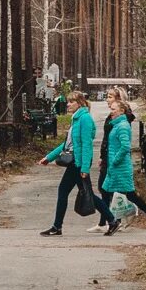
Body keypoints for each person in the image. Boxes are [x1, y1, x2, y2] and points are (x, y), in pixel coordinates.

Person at [40, 91, 116, 236]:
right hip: (75, 162)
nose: (68, 104)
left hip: (78, 163)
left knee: (70, 191)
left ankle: (57, 227)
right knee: (86, 193)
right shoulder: (76, 119)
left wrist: (85, 167)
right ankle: (112, 221)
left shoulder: (85, 119)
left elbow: (86, 144)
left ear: (80, 103)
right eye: (68, 101)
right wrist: (49, 157)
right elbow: (67, 144)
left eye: (71, 102)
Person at [100, 93, 146, 232]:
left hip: (120, 167)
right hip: (116, 166)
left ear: (121, 111)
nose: (111, 112)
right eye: (111, 109)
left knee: (126, 194)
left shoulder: (122, 126)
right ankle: (116, 221)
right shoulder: (116, 124)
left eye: (113, 109)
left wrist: (114, 161)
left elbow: (124, 147)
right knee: (113, 193)